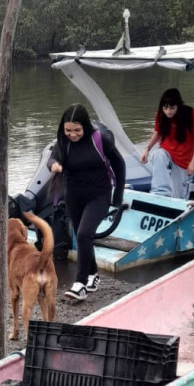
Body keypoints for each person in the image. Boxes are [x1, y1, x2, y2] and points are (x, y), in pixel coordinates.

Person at [49, 103, 126, 301]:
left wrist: (117, 196)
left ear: (84, 127)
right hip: (74, 194)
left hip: (99, 194)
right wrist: (55, 165)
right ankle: (93, 275)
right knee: (82, 235)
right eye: (68, 130)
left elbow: (119, 164)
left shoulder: (100, 139)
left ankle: (80, 283)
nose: (72, 134)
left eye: (77, 130)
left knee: (84, 233)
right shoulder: (63, 141)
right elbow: (52, 158)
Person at [140, 88, 194, 199]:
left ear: (178, 106)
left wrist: (193, 162)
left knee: (179, 196)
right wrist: (147, 149)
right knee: (158, 155)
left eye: (172, 108)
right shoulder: (161, 115)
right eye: (165, 108)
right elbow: (158, 133)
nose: (168, 112)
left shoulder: (191, 114)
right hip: (167, 153)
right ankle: (159, 194)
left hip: (183, 159)